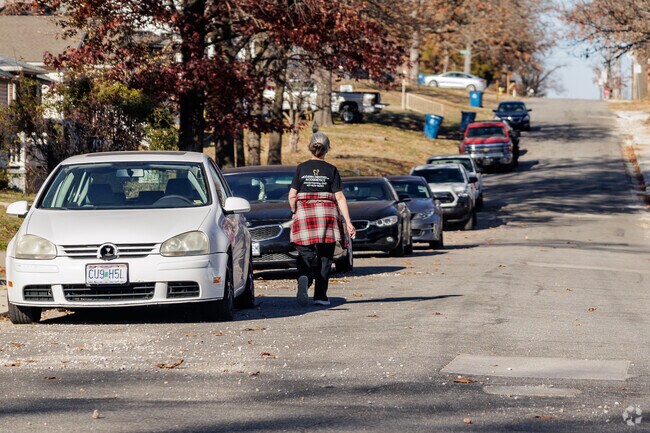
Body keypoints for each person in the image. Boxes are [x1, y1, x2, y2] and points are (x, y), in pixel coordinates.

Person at [288, 132, 356, 306]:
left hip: (304, 213)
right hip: (326, 215)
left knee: (305, 252)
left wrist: (294, 210)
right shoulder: (331, 169)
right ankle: (320, 296)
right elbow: (340, 197)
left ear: (310, 147)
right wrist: (348, 222)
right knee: (326, 256)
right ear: (328, 149)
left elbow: (292, 195)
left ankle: (304, 276)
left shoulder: (301, 168)